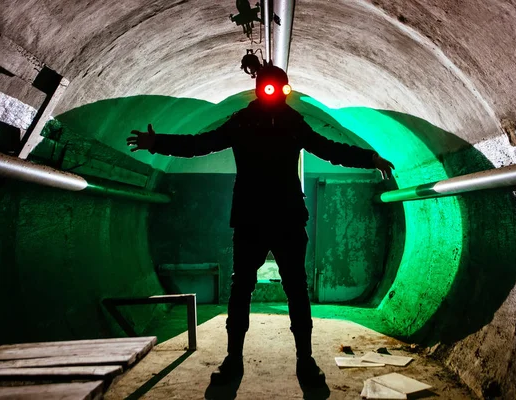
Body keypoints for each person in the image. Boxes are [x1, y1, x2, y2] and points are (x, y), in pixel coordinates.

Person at [127, 66, 394, 390]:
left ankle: (300, 359)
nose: (272, 93)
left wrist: (370, 158)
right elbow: (200, 144)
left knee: (290, 289)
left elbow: (329, 149)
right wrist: (156, 143)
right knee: (249, 290)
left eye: (276, 88)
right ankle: (239, 359)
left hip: (272, 218)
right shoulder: (251, 121)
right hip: (266, 218)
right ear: (261, 89)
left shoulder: (287, 122)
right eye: (269, 88)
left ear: (282, 90)